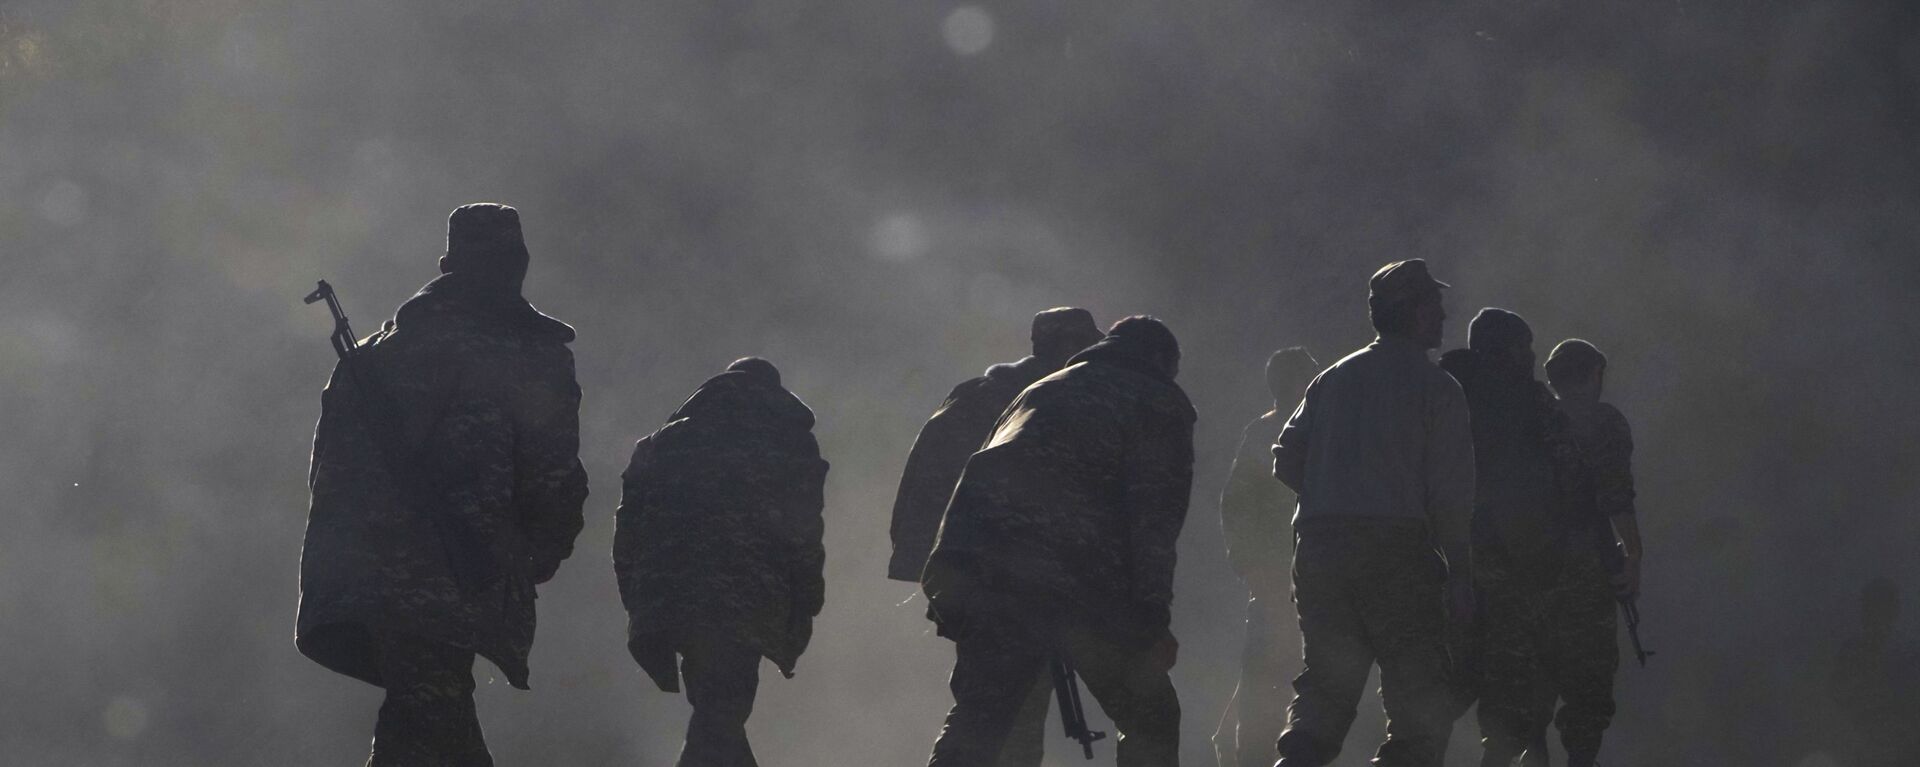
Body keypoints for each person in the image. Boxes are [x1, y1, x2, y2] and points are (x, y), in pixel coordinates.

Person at [297, 203, 589, 766]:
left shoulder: (373, 359)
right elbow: (553, 482)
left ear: (448, 263)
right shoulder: (528, 356)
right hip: (457, 582)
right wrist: (533, 558)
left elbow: (330, 481)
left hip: (374, 584)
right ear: (517, 263)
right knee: (436, 714)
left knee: (423, 715)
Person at [921, 316, 1195, 767]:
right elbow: (1154, 521)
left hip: (986, 569)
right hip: (1084, 581)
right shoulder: (1158, 402)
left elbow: (975, 479)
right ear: (1166, 363)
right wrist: (1151, 617)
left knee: (979, 720)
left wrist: (951, 582)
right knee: (1153, 719)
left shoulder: (1043, 389)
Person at [1270, 259, 1475, 767]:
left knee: (1325, 691)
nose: (1444, 314)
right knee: (1418, 701)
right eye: (1434, 304)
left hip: (1320, 550)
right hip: (1396, 553)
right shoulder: (1437, 389)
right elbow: (1451, 494)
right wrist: (1461, 575)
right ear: (1413, 311)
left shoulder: (1332, 379)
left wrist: (1331, 494)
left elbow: (1285, 458)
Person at [888, 307, 1103, 766]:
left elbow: (919, 484)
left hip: (963, 574)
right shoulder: (1046, 404)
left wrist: (925, 565)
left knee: (990, 706)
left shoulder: (975, 398)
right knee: (998, 715)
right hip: (1016, 582)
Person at [615, 358, 828, 767]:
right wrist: (804, 608)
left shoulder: (664, 442)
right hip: (747, 602)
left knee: (716, 709)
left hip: (672, 597)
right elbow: (803, 537)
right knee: (721, 711)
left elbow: (628, 535)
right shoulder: (789, 446)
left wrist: (639, 602)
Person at [1504, 338, 1641, 767]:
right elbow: (1615, 493)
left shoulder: (1532, 420)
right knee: (1589, 673)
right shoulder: (1604, 422)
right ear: (1594, 374)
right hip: (1583, 562)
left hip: (1526, 562)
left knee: (1537, 663)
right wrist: (1633, 553)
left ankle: (1534, 749)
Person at [1436, 309, 1560, 767]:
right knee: (1506, 682)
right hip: (1510, 559)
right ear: (1508, 349)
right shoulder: (1528, 399)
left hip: (1443, 556)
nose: (1530, 356)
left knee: (1445, 683)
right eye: (1524, 347)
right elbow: (1567, 471)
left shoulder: (1444, 392)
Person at [1213, 347, 1320, 767]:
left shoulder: (1277, 430)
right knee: (1266, 686)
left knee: (1270, 684)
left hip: (1295, 572)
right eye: (1311, 375)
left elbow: (1234, 504)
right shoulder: (1275, 432)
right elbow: (1236, 503)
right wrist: (1252, 566)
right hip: (1284, 575)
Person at [1828, 577, 1920, 767]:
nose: (1877, 615)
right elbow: (1837, 698)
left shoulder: (1910, 653)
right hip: (1865, 744)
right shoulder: (1852, 652)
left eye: (1883, 607)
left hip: (1901, 747)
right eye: (1873, 607)